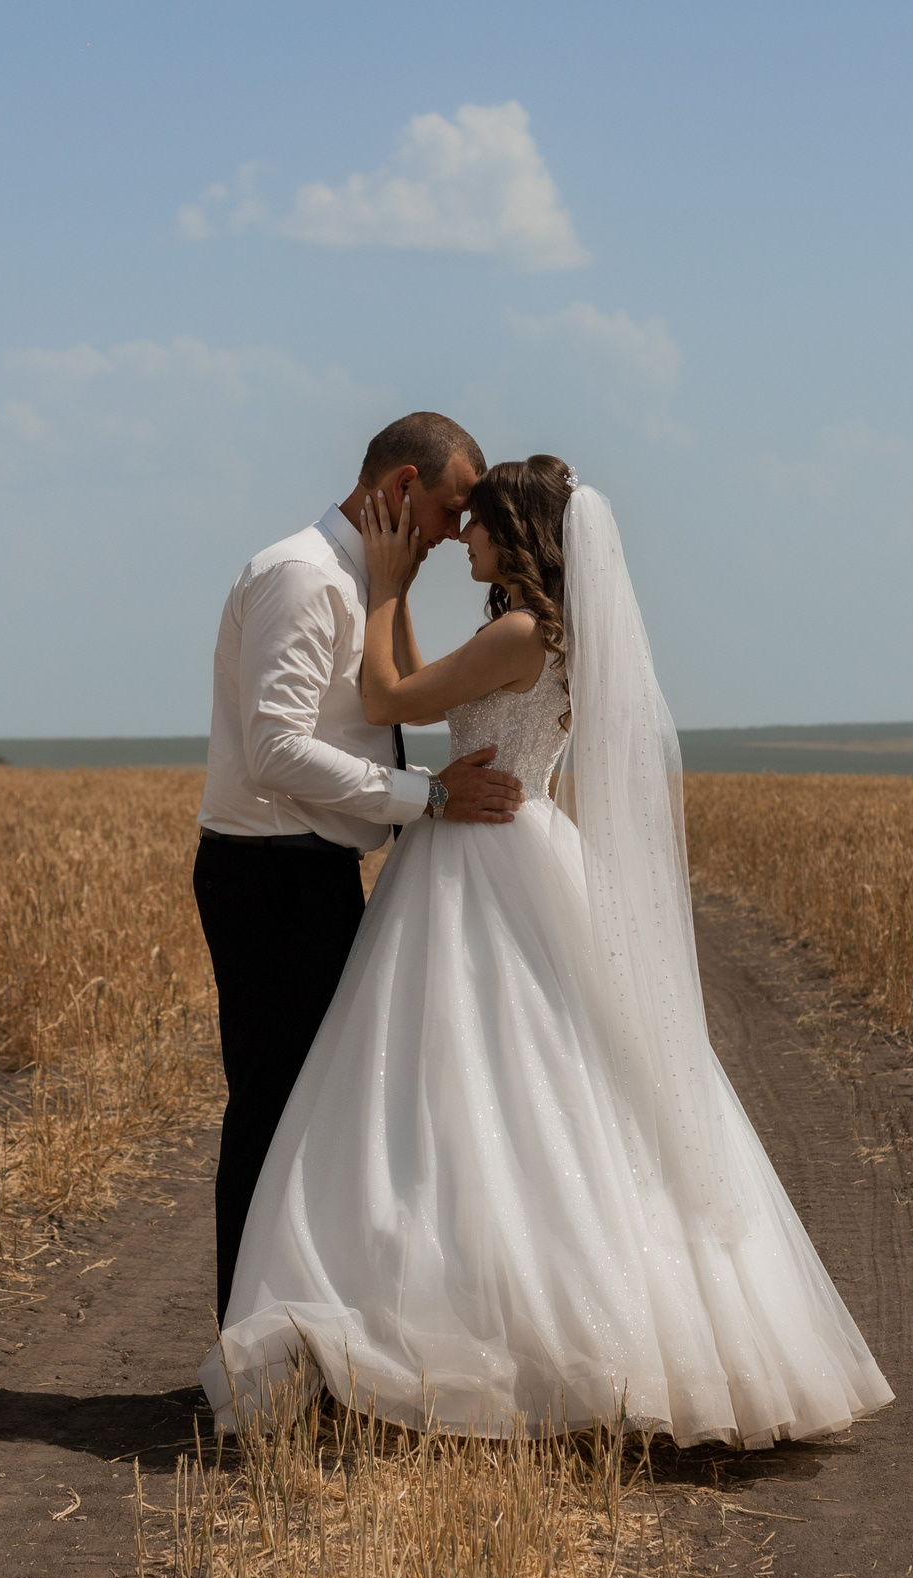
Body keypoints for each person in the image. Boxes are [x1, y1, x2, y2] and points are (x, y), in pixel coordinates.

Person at [202, 455, 894, 1448]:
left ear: (516, 535)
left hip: (479, 854)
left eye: (475, 524)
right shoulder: (547, 637)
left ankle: (488, 1341)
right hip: (513, 848)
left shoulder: (517, 634)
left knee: (477, 1086)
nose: (460, 539)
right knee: (527, 1084)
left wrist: (388, 591)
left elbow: (391, 698)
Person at [194, 412, 525, 1325]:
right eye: (451, 509)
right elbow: (275, 752)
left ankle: (292, 1336)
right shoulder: (303, 577)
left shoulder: (359, 580)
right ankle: (249, 1350)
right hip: (268, 878)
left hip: (311, 873)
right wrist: (429, 797)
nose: (457, 533)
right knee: (272, 1114)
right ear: (402, 488)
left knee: (318, 1116)